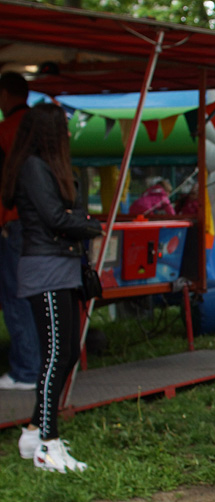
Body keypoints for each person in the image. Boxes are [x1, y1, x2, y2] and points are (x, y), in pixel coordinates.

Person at [2, 104, 104, 472]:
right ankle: (48, 443)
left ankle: (33, 431)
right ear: (50, 133)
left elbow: (61, 218)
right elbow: (54, 218)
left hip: (60, 268)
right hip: (45, 269)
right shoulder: (33, 167)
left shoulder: (45, 167)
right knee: (55, 356)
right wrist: (89, 225)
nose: (70, 134)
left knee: (68, 354)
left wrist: (81, 222)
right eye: (64, 128)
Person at [0, 72, 41, 392]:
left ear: (4, 94)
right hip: (41, 222)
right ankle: (40, 365)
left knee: (17, 295)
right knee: (37, 295)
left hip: (15, 219)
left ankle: (27, 369)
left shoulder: (8, 130)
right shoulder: (43, 127)